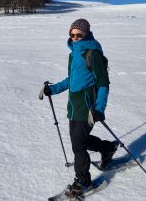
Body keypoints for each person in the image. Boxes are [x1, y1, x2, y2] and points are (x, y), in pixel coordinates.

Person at [43, 18, 118, 196]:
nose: (75, 37)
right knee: (79, 142)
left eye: (79, 34)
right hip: (74, 107)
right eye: (72, 34)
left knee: (78, 145)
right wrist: (52, 90)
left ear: (86, 34)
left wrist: (99, 107)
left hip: (89, 108)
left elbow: (103, 83)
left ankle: (84, 182)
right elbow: (71, 80)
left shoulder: (93, 54)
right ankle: (107, 148)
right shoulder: (72, 55)